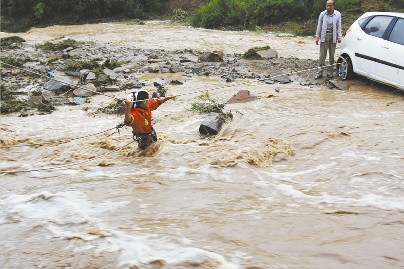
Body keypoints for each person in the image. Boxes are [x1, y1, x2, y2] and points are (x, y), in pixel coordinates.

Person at [315, 0, 342, 79]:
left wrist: (339, 37)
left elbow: (339, 26)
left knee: (331, 55)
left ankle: (330, 72)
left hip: (333, 36)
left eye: (330, 6)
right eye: (327, 5)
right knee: (322, 55)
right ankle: (319, 72)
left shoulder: (337, 14)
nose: (328, 7)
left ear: (333, 6)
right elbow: (319, 25)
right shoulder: (322, 14)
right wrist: (317, 37)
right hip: (324, 35)